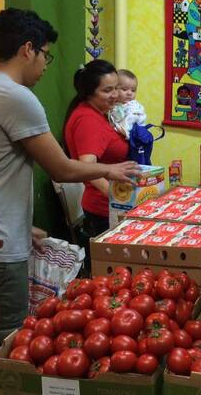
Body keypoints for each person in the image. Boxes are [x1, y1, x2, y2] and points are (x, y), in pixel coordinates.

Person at [0, 8, 141, 373]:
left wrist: (20, 225)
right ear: (27, 49)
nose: (46, 64)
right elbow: (62, 168)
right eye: (46, 55)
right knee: (0, 357)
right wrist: (111, 170)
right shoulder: (14, 97)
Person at [63, 61, 129, 262]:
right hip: (104, 211)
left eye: (117, 87)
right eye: (107, 90)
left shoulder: (96, 114)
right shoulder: (88, 120)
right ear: (90, 92)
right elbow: (87, 168)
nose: (116, 95)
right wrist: (119, 200)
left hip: (107, 207)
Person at [108, 68, 147, 139]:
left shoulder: (133, 107)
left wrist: (123, 131)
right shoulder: (116, 104)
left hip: (131, 135)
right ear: (115, 88)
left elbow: (130, 120)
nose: (129, 93)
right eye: (124, 89)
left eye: (133, 90)